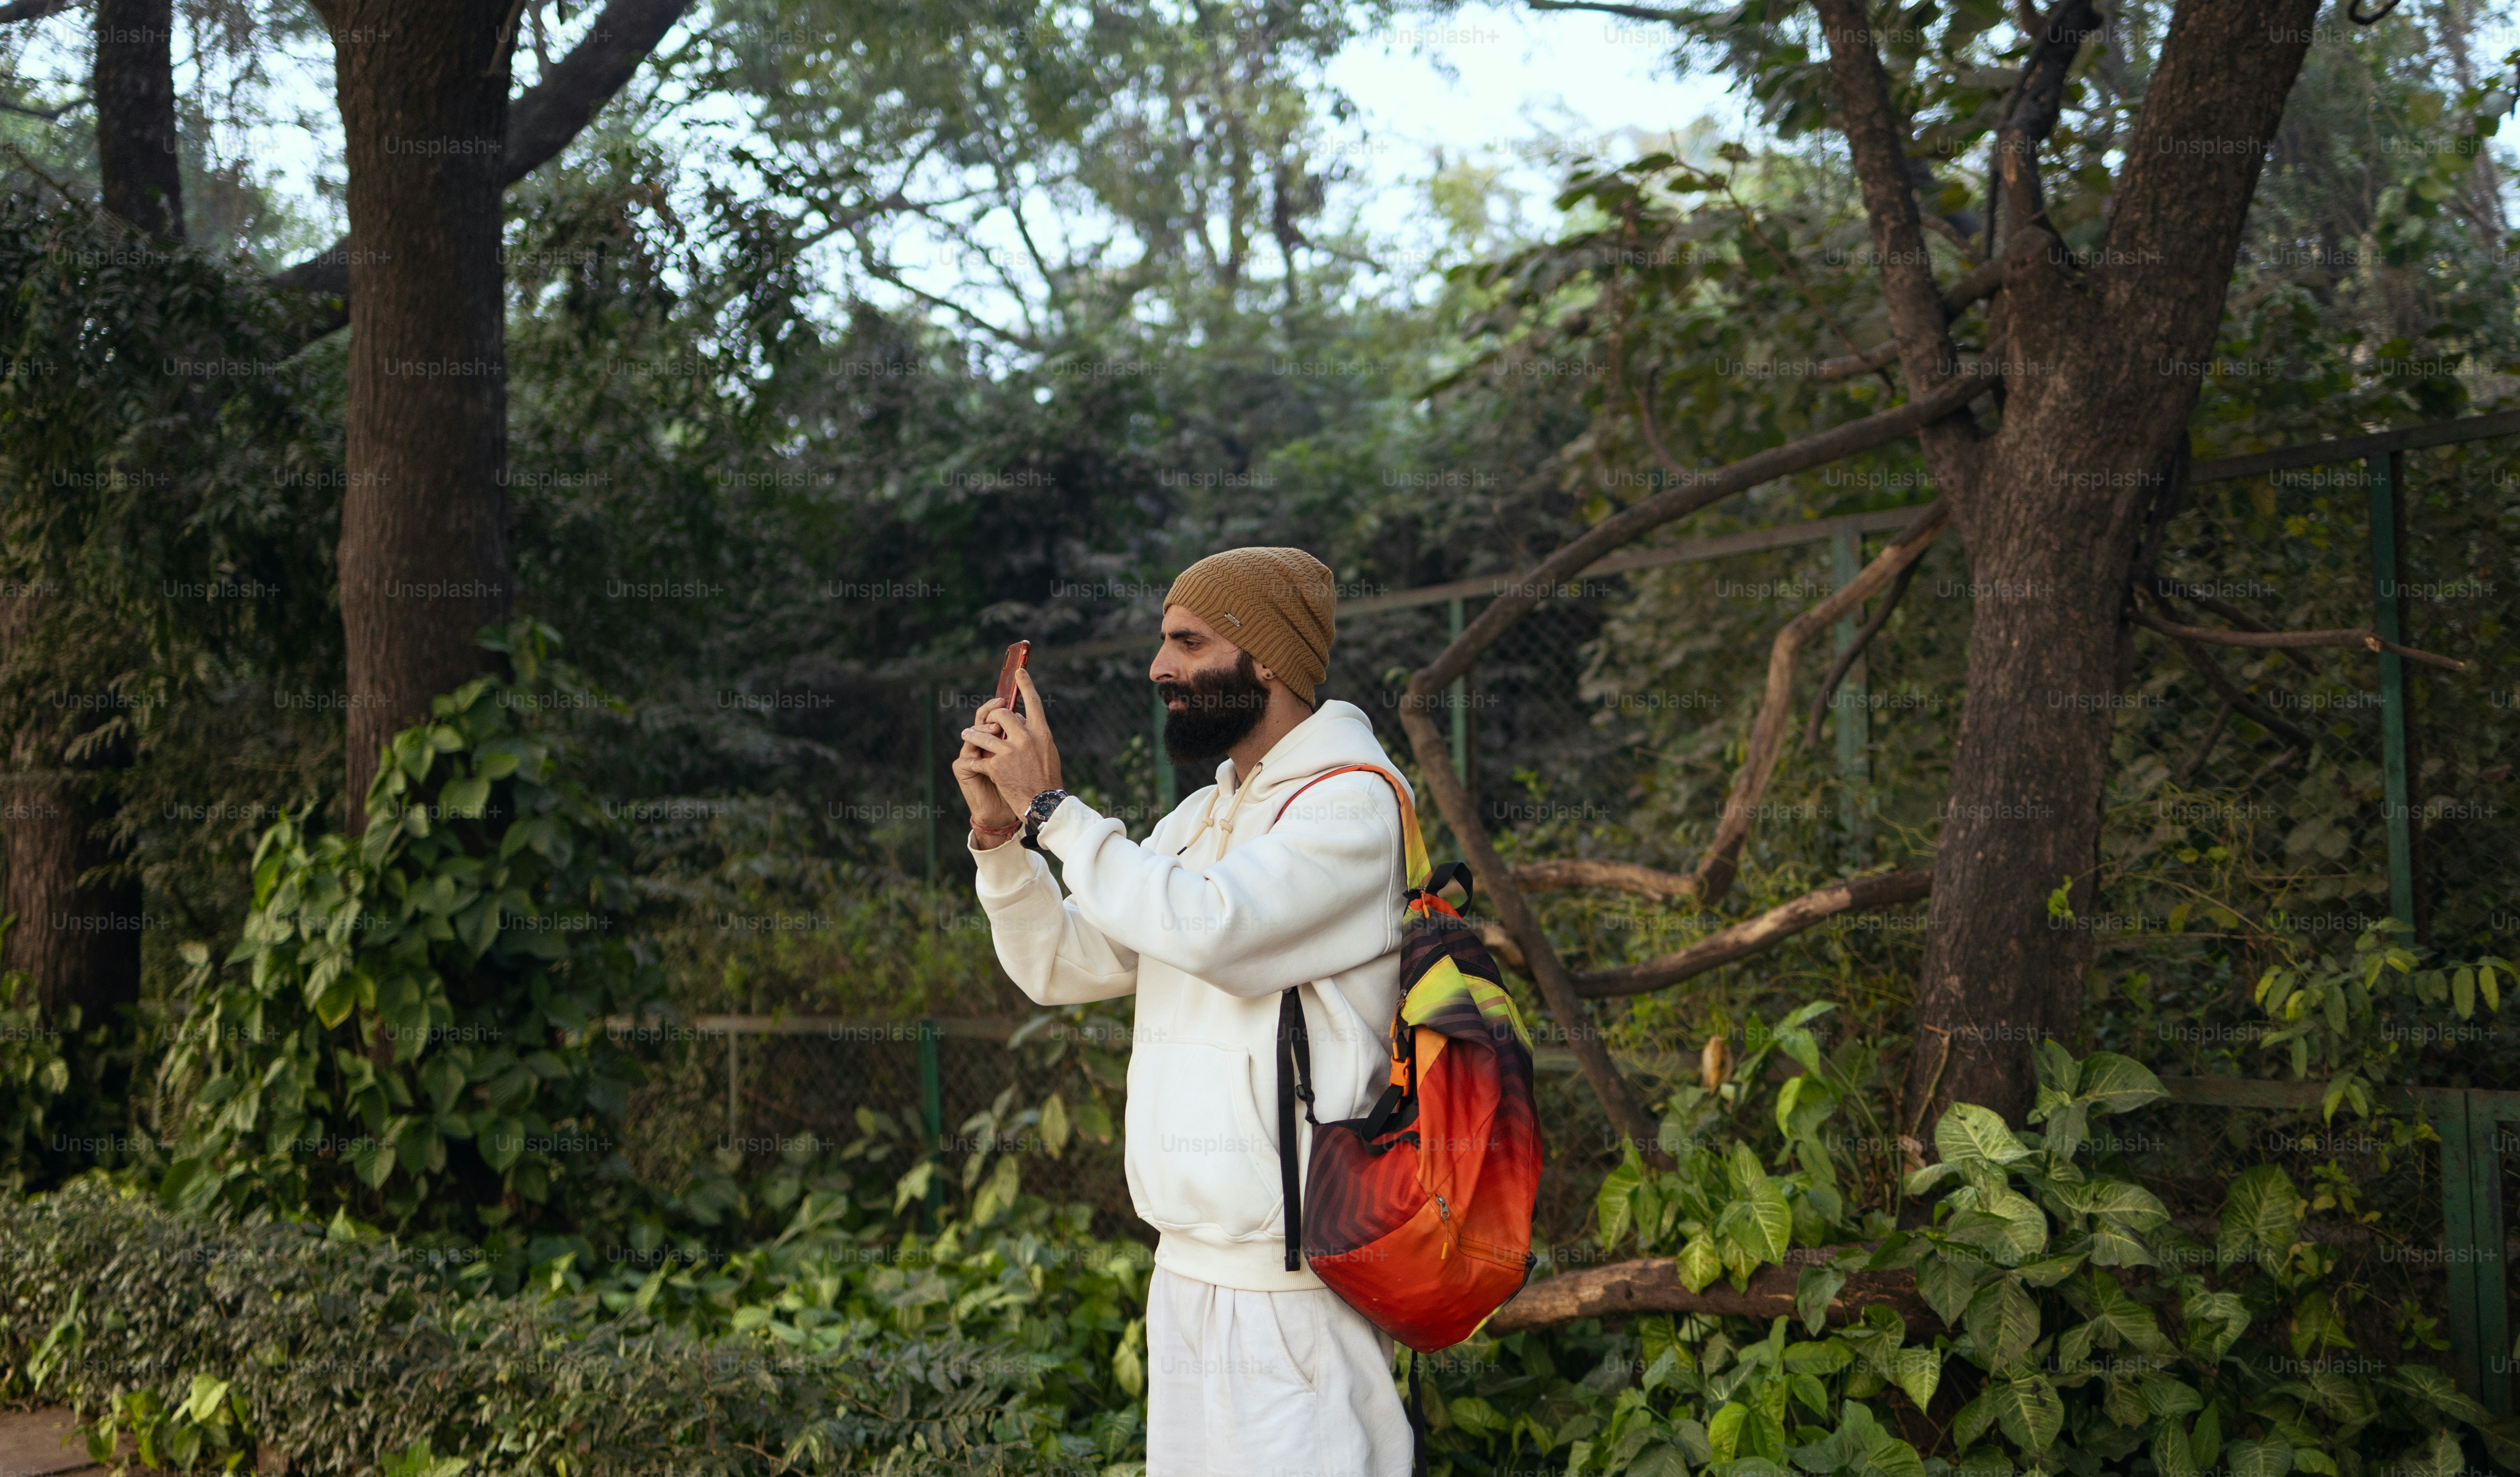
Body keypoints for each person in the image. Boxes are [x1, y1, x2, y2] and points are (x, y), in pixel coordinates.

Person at [955, 545, 1414, 1477]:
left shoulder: (1351, 809)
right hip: (1185, 1273)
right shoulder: (1208, 815)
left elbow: (1209, 927)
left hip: (1296, 1293)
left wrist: (1053, 808)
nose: (1160, 665)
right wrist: (1005, 847)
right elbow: (1066, 959)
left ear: (1269, 660)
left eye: (1189, 641)